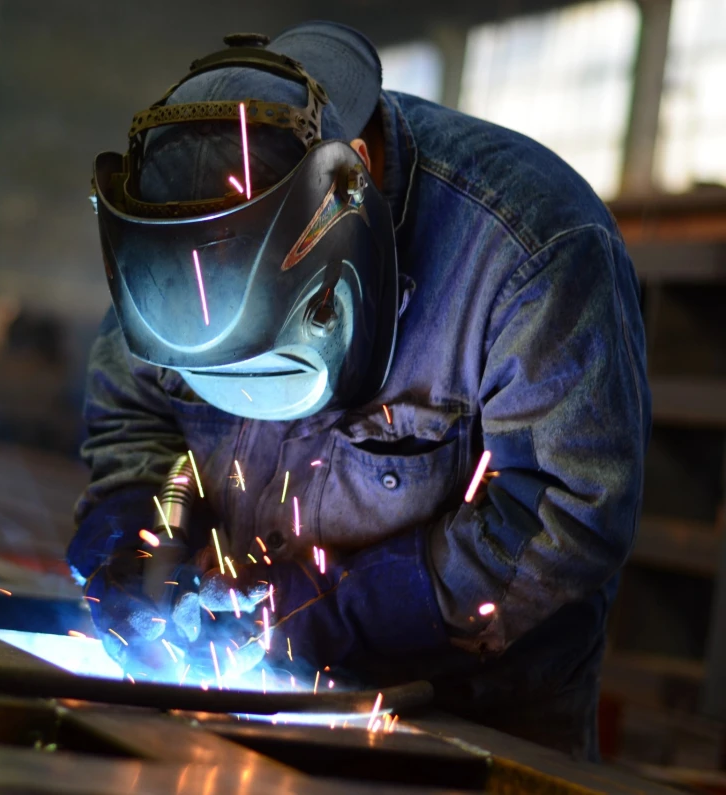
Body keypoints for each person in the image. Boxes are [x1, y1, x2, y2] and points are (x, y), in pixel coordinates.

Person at [68, 22, 650, 758]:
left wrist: (326, 618)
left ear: (353, 192)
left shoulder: (532, 254)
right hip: (236, 706)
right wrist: (133, 550)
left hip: (471, 722)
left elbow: (567, 514)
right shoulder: (177, 231)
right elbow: (135, 416)